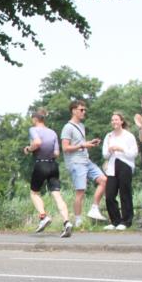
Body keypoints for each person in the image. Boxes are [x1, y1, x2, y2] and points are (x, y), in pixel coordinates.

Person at [23, 108, 72, 238]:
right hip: (53, 165)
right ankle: (67, 222)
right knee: (57, 194)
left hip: (41, 164)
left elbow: (37, 142)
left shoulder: (33, 129)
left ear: (35, 119)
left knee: (34, 192)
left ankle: (43, 217)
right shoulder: (52, 132)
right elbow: (56, 153)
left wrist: (28, 149)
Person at [60, 100, 108, 227]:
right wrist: (83, 145)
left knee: (104, 180)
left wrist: (89, 143)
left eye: (84, 110)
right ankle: (78, 221)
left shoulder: (81, 125)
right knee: (80, 191)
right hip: (76, 162)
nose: (84, 112)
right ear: (74, 111)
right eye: (81, 110)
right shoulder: (68, 127)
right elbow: (65, 147)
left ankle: (94, 208)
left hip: (86, 160)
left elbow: (80, 143)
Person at [101, 112, 139, 230]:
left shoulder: (129, 136)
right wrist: (110, 150)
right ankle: (115, 221)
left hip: (125, 165)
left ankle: (126, 221)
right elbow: (105, 155)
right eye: (112, 120)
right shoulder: (109, 136)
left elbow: (134, 153)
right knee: (109, 195)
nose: (114, 122)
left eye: (116, 119)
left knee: (125, 193)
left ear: (121, 121)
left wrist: (121, 149)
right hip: (112, 167)